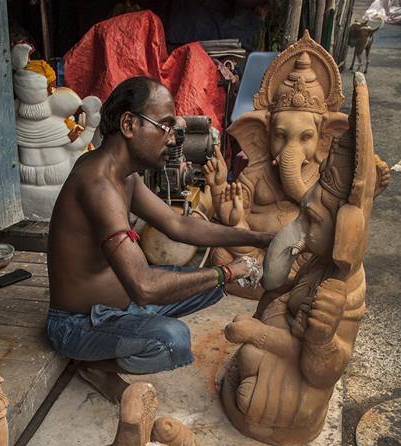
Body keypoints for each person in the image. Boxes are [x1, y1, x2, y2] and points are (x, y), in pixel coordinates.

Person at [46, 76, 274, 402]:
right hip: (78, 324)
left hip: (122, 305)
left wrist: (261, 238)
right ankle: (94, 365)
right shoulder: (98, 184)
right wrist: (228, 271)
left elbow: (178, 225)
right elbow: (144, 285)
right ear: (129, 124)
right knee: (172, 340)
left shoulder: (123, 176)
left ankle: (130, 331)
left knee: (210, 287)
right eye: (165, 126)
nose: (171, 138)